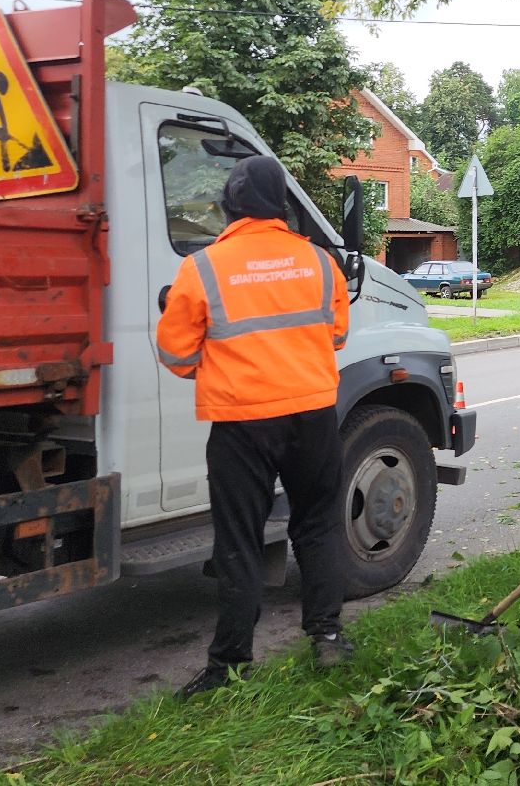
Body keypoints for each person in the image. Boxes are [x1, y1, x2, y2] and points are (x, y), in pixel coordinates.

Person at [155, 156, 354, 699]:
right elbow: (335, 335)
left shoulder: (202, 268)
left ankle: (230, 665)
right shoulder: (319, 263)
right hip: (312, 415)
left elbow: (174, 354)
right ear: (282, 205)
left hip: (242, 422)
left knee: (239, 540)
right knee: (316, 525)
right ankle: (329, 636)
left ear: (230, 206)